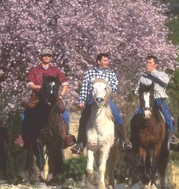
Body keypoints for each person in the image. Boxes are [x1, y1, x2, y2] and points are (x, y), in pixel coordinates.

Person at [71, 53, 132, 155]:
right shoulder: (89, 73)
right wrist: (81, 101)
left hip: (106, 100)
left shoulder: (111, 74)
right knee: (83, 118)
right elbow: (84, 88)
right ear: (98, 61)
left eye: (107, 60)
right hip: (92, 100)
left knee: (117, 115)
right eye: (104, 60)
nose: (107, 62)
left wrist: (104, 90)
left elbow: (114, 87)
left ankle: (125, 140)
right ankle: (80, 144)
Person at [134, 55, 179, 144]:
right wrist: (141, 92)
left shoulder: (162, 74)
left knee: (168, 118)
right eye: (147, 63)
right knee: (135, 117)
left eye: (150, 63)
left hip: (159, 102)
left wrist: (153, 72)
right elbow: (136, 90)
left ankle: (170, 136)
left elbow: (166, 81)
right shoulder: (143, 77)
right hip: (146, 103)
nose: (147, 64)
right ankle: (133, 137)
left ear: (156, 64)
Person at [25, 47, 70, 130]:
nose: (47, 57)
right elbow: (29, 84)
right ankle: (23, 137)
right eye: (45, 55)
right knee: (24, 115)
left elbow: (65, 84)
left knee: (66, 115)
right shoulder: (34, 70)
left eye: (49, 56)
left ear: (51, 58)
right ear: (40, 57)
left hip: (53, 97)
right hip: (37, 97)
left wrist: (60, 96)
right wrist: (41, 87)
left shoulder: (56, 70)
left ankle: (67, 136)